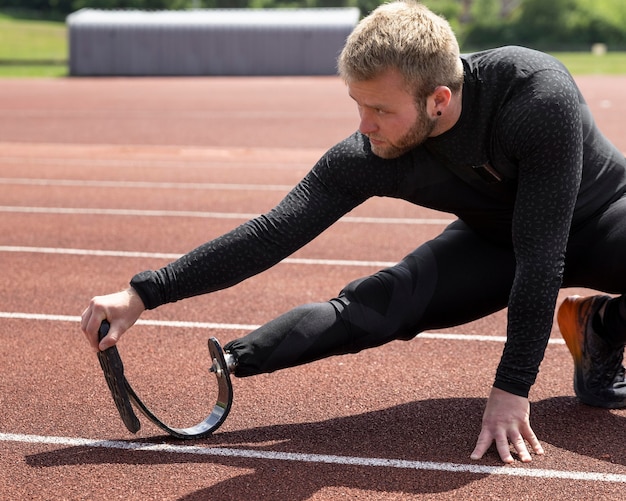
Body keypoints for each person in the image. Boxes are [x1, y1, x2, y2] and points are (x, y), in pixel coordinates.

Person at [81, 0, 626, 464]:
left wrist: (511, 390)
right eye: (357, 105)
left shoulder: (534, 97)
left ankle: (607, 322)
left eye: (380, 109)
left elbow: (543, 261)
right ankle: (240, 359)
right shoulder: (372, 151)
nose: (364, 126)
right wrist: (143, 292)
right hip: (494, 241)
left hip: (603, 220)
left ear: (439, 99)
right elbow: (274, 232)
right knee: (374, 309)